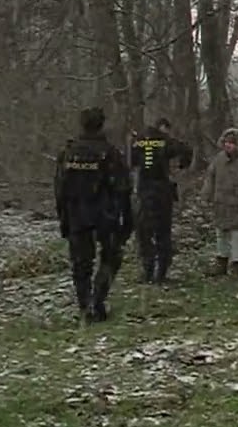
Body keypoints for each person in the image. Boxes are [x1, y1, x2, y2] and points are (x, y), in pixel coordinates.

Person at [54, 106, 134, 322]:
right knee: (111, 257)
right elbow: (123, 188)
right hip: (104, 214)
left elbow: (59, 188)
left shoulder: (68, 153)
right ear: (102, 124)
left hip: (76, 214)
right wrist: (127, 219)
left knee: (81, 263)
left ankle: (85, 304)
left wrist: (63, 217)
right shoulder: (110, 153)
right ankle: (96, 300)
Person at [129, 117, 193, 283]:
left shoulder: (138, 140)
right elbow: (186, 148)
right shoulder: (166, 141)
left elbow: (131, 162)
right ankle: (161, 273)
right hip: (162, 190)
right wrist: (182, 166)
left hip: (144, 191)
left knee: (144, 232)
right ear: (163, 127)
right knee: (163, 231)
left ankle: (147, 270)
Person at [201, 127, 238, 277]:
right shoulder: (219, 159)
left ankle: (236, 264)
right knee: (220, 232)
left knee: (237, 234)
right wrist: (205, 194)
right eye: (226, 142)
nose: (228, 145)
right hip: (220, 202)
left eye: (232, 143)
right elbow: (210, 175)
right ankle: (221, 260)